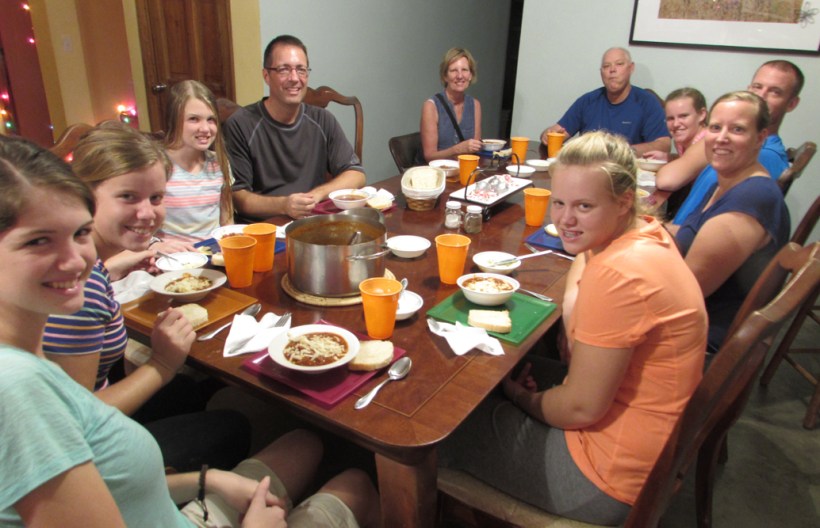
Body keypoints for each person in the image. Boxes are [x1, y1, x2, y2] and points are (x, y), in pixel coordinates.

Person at [0, 135, 381, 528]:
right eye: (38, 242)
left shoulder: (31, 357)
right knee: (358, 483)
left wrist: (206, 479)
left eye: (80, 233)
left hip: (165, 502)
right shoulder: (19, 388)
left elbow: (106, 481)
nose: (76, 261)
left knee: (306, 440)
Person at [439, 131, 707, 525]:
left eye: (584, 205)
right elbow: (587, 254)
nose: (565, 219)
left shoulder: (619, 275)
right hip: (650, 448)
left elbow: (582, 407)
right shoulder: (646, 233)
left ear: (624, 201)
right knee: (495, 379)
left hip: (604, 479)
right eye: (559, 202)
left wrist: (522, 400)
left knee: (445, 425)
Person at [42, 122, 249, 472]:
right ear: (83, 194)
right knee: (235, 425)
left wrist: (117, 263)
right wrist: (162, 364)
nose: (147, 213)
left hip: (98, 396)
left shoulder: (85, 260)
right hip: (81, 454)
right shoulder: (79, 288)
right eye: (128, 197)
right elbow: (78, 423)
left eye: (156, 198)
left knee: (190, 390)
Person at [673, 91, 790, 351]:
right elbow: (694, 232)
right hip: (689, 320)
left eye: (737, 129)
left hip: (694, 343)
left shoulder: (750, 200)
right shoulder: (726, 180)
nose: (721, 138)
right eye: (716, 127)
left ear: (760, 137)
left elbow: (682, 296)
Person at [224, 34, 365, 221]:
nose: (294, 78)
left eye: (301, 70)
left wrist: (317, 194)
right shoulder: (241, 124)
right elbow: (237, 197)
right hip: (265, 230)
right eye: (284, 70)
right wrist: (284, 205)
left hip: (312, 223)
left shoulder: (322, 120)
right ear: (266, 75)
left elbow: (356, 174)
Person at [658, 60, 802, 224]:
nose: (761, 96)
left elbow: (718, 231)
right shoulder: (728, 152)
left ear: (791, 104)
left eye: (775, 92)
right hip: (678, 229)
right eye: (757, 87)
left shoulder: (759, 156)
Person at [539, 47, 670, 157]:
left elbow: (664, 145)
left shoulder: (647, 101)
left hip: (627, 172)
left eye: (619, 64)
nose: (612, 70)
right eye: (606, 66)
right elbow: (558, 133)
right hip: (588, 170)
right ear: (601, 72)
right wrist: (546, 135)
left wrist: (621, 152)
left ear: (631, 68)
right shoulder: (588, 101)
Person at [158, 80, 234, 245]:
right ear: (174, 121)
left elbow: (227, 220)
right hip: (174, 259)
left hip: (212, 253)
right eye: (194, 119)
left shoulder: (219, 162)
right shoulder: (156, 165)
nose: (205, 129)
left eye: (211, 119)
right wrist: (155, 245)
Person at [419, 47, 483, 162]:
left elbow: (474, 150)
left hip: (465, 171)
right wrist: (456, 150)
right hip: (441, 173)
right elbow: (429, 156)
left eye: (464, 70)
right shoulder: (431, 106)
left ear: (471, 75)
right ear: (445, 76)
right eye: (453, 70)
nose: (460, 76)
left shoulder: (475, 104)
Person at [643, 87, 707, 161]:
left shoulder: (707, 142)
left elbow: (687, 165)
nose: (675, 124)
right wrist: (668, 157)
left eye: (683, 116)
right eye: (670, 118)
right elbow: (687, 160)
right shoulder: (680, 141)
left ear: (702, 114)